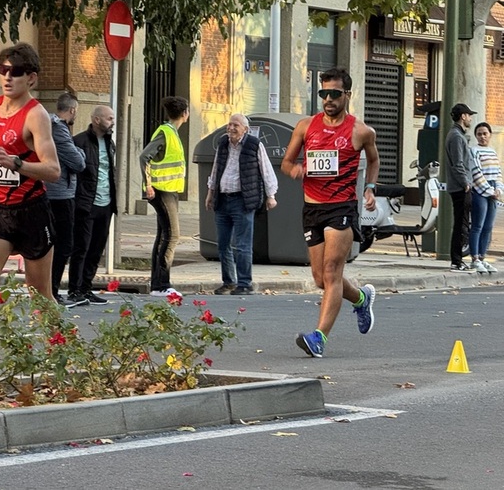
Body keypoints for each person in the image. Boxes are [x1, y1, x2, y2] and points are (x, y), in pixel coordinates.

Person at [280, 67, 379, 358]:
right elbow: (286, 163)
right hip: (312, 208)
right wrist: (296, 169)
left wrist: (370, 188)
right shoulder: (305, 126)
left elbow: (373, 160)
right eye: (324, 93)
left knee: (333, 272)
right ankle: (361, 298)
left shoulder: (361, 131)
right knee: (320, 279)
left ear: (347, 95)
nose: (328, 99)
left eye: (335, 94)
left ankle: (319, 337)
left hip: (342, 208)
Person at [0, 42, 60, 313]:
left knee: (40, 297)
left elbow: (53, 170)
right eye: (3, 69)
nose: (7, 76)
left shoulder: (36, 115)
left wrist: (16, 163)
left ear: (31, 78)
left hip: (31, 212)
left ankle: (61, 348)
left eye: (16, 71)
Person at [204, 113, 279, 295]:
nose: (231, 128)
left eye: (235, 125)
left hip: (242, 201)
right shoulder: (223, 143)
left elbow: (266, 169)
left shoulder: (254, 145)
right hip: (222, 199)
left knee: (243, 244)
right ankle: (229, 282)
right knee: (222, 244)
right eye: (229, 125)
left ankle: (245, 283)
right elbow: (216, 168)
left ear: (245, 129)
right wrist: (210, 193)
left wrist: (271, 195)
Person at [67, 106, 117, 306]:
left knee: (97, 249)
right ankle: (74, 290)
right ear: (97, 120)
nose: (112, 121)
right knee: (81, 248)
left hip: (106, 203)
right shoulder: (79, 141)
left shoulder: (110, 143)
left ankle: (87, 288)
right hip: (86, 204)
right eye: (109, 118)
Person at [139, 96, 189, 297]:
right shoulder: (166, 132)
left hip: (168, 189)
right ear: (184, 114)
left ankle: (157, 284)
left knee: (163, 236)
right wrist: (148, 185)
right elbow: (144, 156)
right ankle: (162, 284)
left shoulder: (171, 133)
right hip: (162, 190)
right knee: (172, 235)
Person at [43, 92, 85, 306]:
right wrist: (80, 153)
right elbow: (78, 163)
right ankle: (52, 290)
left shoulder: (48, 124)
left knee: (52, 243)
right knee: (63, 245)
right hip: (60, 194)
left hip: (50, 193)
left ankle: (48, 290)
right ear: (72, 110)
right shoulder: (59, 129)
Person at [446, 103, 476, 272]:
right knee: (461, 224)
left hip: (459, 185)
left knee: (461, 223)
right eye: (469, 115)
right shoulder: (457, 136)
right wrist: (465, 183)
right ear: (463, 116)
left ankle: (457, 260)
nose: (470, 118)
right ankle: (456, 261)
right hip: (460, 187)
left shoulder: (457, 134)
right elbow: (458, 164)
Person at [469, 122, 501, 274]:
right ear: (476, 136)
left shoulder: (493, 152)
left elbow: (498, 173)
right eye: (479, 134)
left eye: (485, 133)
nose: (482, 136)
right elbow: (476, 173)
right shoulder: (474, 151)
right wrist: (489, 190)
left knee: (488, 227)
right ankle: (474, 259)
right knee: (477, 226)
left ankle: (482, 257)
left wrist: (499, 189)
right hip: (480, 191)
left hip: (493, 191)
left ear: (490, 135)